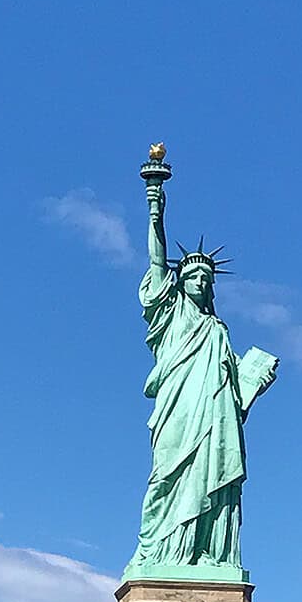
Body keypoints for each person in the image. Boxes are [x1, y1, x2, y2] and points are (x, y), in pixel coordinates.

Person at [124, 158, 278, 579]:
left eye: (207, 278)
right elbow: (157, 263)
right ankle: (158, 553)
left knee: (217, 477)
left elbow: (232, 389)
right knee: (167, 478)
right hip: (180, 409)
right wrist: (156, 208)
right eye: (192, 276)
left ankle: (211, 555)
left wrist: (252, 383)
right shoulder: (169, 316)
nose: (201, 283)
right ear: (180, 282)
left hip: (217, 417)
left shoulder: (218, 330)